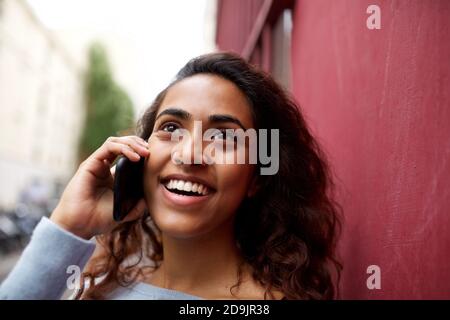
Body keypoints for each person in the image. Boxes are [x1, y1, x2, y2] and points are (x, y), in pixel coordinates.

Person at [0, 52, 342, 300]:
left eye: (223, 136)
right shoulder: (100, 284)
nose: (189, 153)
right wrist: (70, 226)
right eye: (171, 128)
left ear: (258, 177)